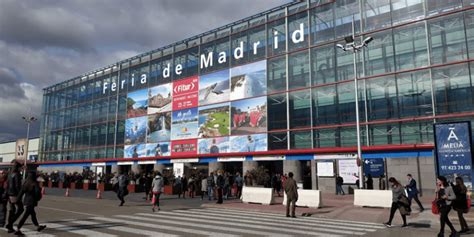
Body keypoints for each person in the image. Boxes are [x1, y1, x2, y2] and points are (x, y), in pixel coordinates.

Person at [6, 162, 24, 233]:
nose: (21, 169)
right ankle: (10, 224)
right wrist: (20, 194)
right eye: (20, 168)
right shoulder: (17, 174)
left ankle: (10, 227)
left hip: (9, 194)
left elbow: (7, 184)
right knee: (21, 209)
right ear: (18, 167)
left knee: (12, 210)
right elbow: (17, 186)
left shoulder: (10, 174)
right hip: (15, 194)